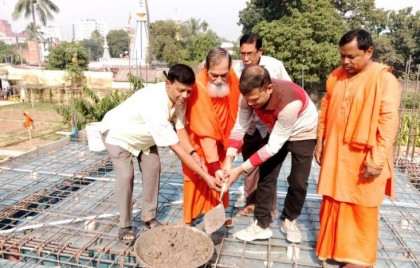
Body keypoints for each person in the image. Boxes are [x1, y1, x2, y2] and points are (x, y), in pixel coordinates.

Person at [99, 64, 222, 243]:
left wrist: (194, 152)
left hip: (144, 138)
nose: (185, 96)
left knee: (153, 167)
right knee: (126, 176)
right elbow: (177, 149)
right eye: (181, 90)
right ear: (167, 84)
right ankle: (125, 225)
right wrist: (206, 177)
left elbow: (180, 130)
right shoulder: (155, 104)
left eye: (189, 91)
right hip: (119, 135)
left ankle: (148, 217)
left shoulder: (180, 101)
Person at [315, 29, 401, 267]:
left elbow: (388, 122)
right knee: (333, 200)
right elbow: (325, 109)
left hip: (363, 158)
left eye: (351, 56)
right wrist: (320, 142)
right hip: (335, 153)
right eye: (342, 56)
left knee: (360, 206)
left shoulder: (384, 79)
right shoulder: (336, 76)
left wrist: (377, 160)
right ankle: (335, 250)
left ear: (369, 51)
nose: (345, 61)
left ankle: (359, 259)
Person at [223, 65, 318, 243]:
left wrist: (240, 170)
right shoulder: (247, 98)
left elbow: (273, 147)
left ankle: (289, 219)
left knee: (298, 181)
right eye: (248, 100)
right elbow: (240, 126)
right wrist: (228, 160)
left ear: (269, 88)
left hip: (303, 131)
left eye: (256, 100)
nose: (251, 104)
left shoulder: (289, 102)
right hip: (277, 129)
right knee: (266, 176)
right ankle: (261, 225)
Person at [232, 33, 292, 218]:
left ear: (260, 51)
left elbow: (288, 89)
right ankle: (250, 204)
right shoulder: (235, 69)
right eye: (242, 53)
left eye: (250, 53)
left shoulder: (274, 66)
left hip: (270, 125)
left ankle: (269, 208)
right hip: (249, 124)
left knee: (268, 168)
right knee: (249, 165)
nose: (246, 58)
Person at [182, 47, 240, 226]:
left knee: (222, 176)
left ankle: (218, 216)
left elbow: (238, 110)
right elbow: (205, 130)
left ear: (229, 68)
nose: (220, 80)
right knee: (196, 175)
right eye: (214, 75)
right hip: (200, 140)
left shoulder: (232, 78)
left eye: (224, 75)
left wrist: (231, 146)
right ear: (206, 69)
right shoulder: (198, 85)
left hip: (224, 138)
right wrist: (213, 164)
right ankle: (188, 218)